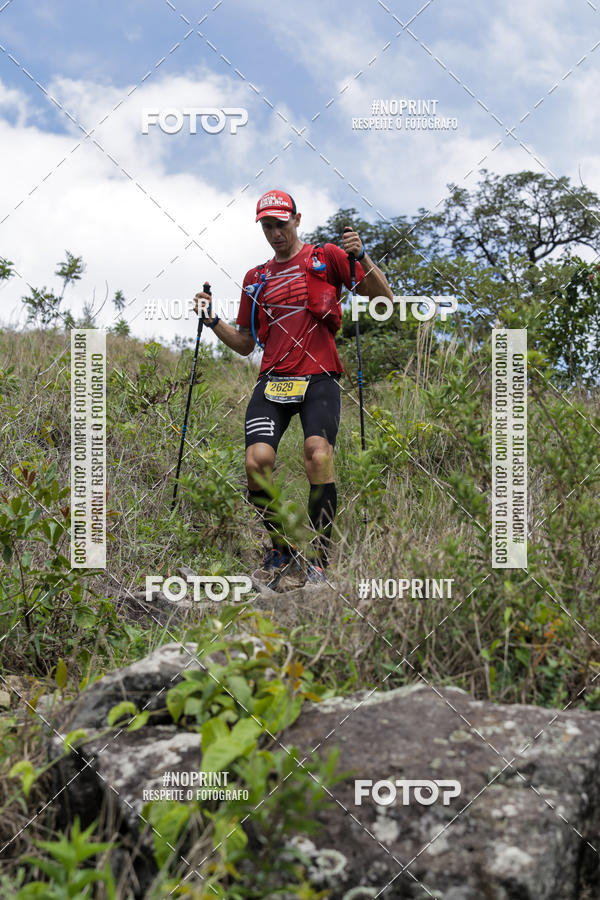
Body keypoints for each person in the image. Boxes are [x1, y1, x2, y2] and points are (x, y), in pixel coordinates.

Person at [194, 189, 393, 587]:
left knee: (317, 456)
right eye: (267, 226)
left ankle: (319, 560)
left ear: (297, 220)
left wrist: (362, 256)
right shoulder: (256, 279)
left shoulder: (328, 257)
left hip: (319, 377)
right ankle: (281, 549)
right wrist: (212, 321)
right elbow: (246, 344)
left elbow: (383, 298)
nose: (275, 233)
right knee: (257, 462)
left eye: (281, 224)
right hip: (274, 380)